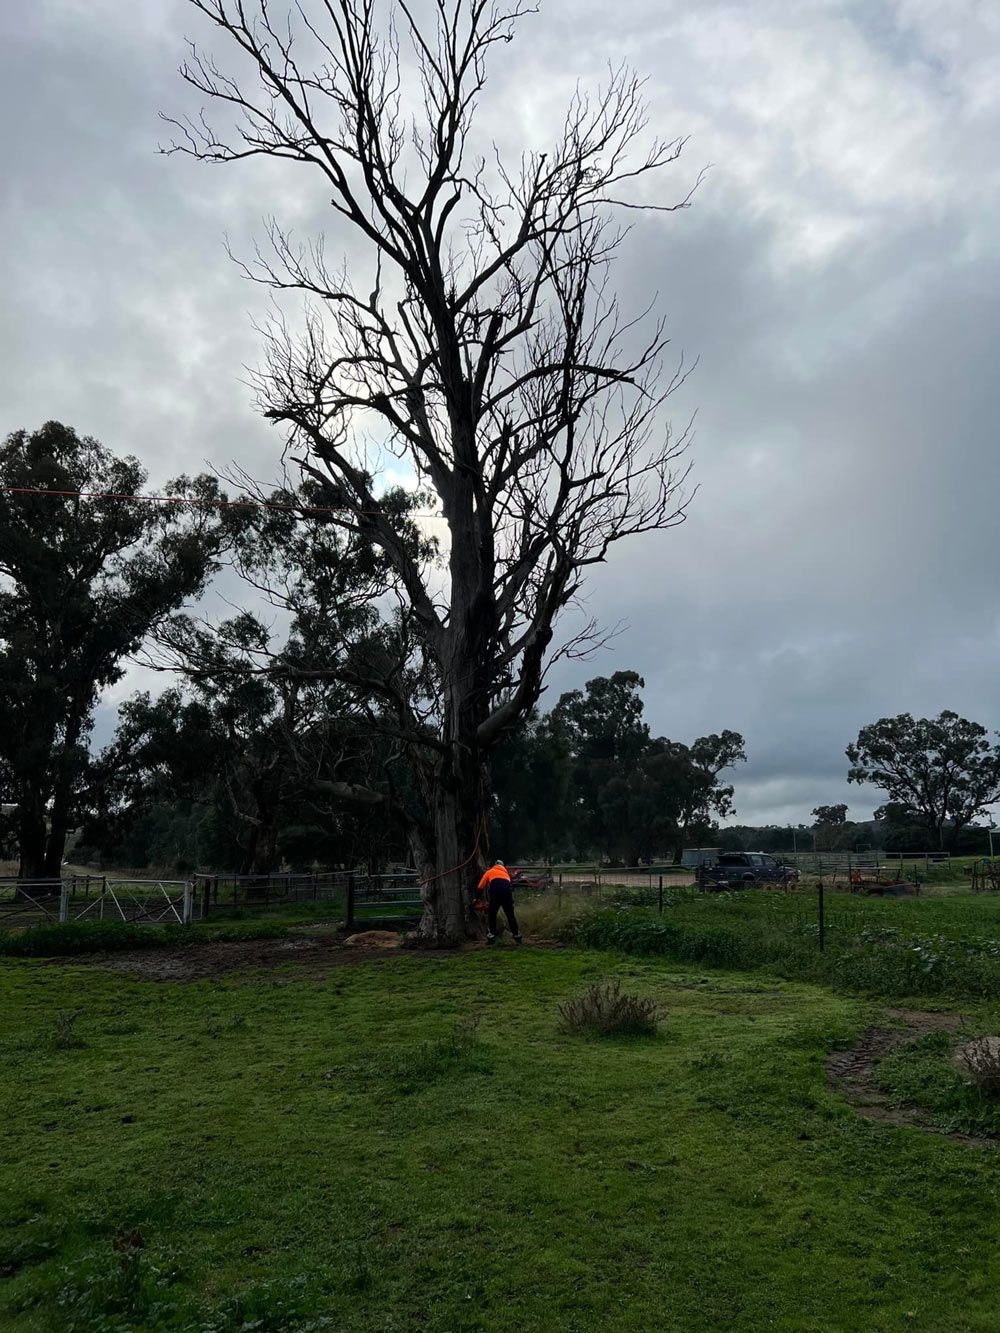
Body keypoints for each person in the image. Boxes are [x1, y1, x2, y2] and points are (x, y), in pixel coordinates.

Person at [477, 860, 522, 944]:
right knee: (510, 915)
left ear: (494, 865)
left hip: (495, 893)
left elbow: (481, 886)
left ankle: (492, 936)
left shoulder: (490, 871)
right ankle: (517, 936)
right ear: (503, 867)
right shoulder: (506, 875)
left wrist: (477, 898)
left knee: (492, 914)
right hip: (507, 894)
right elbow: (510, 887)